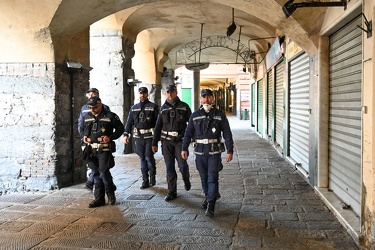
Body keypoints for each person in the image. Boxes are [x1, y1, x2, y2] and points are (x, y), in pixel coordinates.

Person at [181, 88, 234, 217]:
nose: (206, 99)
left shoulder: (220, 115)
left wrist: (229, 150)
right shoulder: (195, 115)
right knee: (203, 177)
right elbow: (188, 133)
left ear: (212, 98)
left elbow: (227, 133)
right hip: (199, 152)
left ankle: (211, 204)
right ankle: (207, 195)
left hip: (214, 152)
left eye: (209, 97)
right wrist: (184, 148)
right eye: (204, 97)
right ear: (201, 99)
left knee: (212, 177)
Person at [82, 96, 124, 208]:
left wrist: (110, 137)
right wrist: (84, 137)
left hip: (104, 149)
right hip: (91, 150)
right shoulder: (86, 116)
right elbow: (82, 129)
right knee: (95, 173)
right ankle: (99, 198)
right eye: (90, 107)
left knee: (104, 172)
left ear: (100, 105)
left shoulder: (111, 116)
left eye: (95, 107)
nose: (92, 110)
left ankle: (110, 193)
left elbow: (120, 129)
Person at [152, 85, 192, 201]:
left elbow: (191, 124)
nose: (170, 94)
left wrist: (191, 138)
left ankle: (186, 178)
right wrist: (154, 143)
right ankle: (172, 191)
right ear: (166, 93)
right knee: (169, 167)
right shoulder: (163, 108)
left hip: (180, 141)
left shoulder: (184, 107)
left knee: (182, 165)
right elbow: (158, 126)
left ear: (176, 92)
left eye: (172, 92)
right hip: (166, 142)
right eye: (168, 92)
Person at [123, 87, 159, 189]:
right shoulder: (134, 108)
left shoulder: (153, 107)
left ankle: (152, 177)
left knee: (148, 157)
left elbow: (158, 123)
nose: (142, 95)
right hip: (138, 137)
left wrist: (156, 139)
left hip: (149, 137)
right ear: (138, 94)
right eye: (140, 93)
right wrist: (126, 134)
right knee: (142, 158)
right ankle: (145, 180)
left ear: (147, 94)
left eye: (144, 93)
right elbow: (129, 122)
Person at [78, 88, 111, 190]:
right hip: (89, 141)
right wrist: (83, 135)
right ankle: (93, 183)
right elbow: (81, 124)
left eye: (93, 94)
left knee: (102, 168)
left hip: (101, 143)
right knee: (92, 163)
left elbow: (108, 124)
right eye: (90, 94)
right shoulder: (84, 108)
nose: (91, 95)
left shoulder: (105, 108)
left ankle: (98, 184)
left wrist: (108, 137)